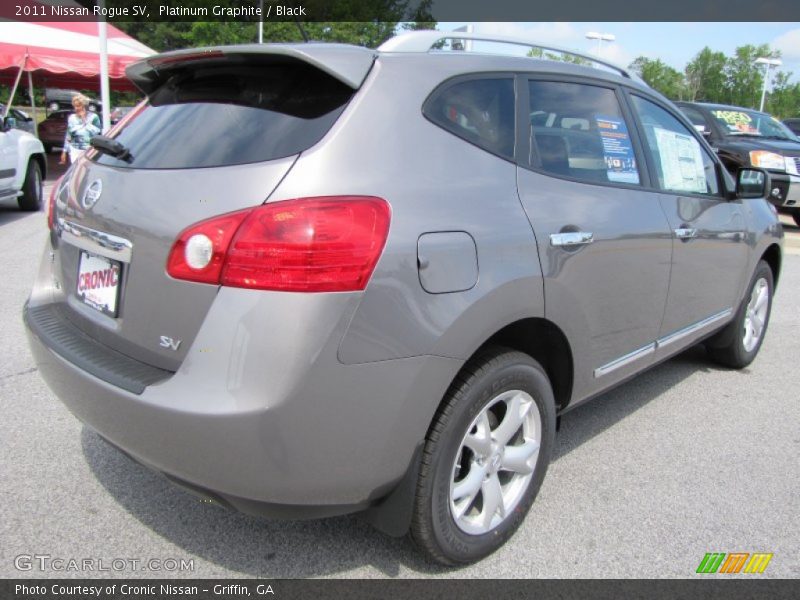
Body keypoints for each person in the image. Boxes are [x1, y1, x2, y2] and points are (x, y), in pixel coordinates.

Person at [60, 94, 101, 164]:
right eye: (75, 106)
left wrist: (84, 119)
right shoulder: (71, 118)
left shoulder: (94, 117)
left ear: (84, 106)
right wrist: (64, 151)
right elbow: (69, 135)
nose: (76, 108)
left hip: (89, 149)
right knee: (76, 169)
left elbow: (97, 133)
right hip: (74, 149)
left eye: (78, 106)